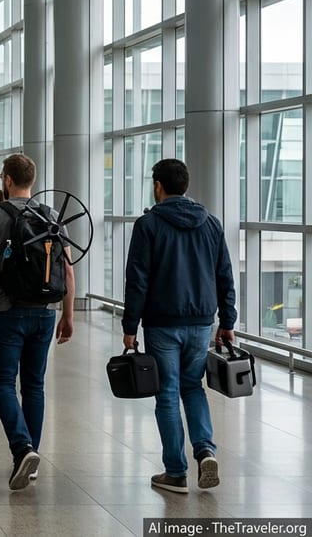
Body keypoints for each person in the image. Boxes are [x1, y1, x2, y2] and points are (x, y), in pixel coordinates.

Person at [122, 159, 237, 494]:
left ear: (158, 186)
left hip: (162, 323)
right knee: (193, 387)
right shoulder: (211, 223)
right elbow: (225, 275)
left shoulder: (148, 225)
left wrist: (130, 326)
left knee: (168, 392)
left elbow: (137, 279)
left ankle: (175, 472)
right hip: (201, 322)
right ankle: (205, 451)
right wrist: (228, 321)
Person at [0, 153, 75, 490]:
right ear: (32, 181)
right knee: (34, 385)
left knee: (2, 384)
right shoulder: (52, 215)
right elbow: (68, 270)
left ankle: (22, 448)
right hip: (45, 310)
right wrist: (68, 314)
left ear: (8, 179)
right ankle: (30, 457)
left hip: (6, 309)